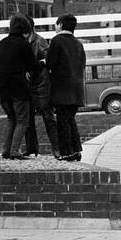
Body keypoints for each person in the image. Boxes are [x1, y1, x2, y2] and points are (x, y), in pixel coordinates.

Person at [0, 14, 41, 160]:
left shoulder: (1, 43)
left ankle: (6, 150)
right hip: (18, 88)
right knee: (22, 120)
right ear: (26, 30)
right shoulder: (23, 44)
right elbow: (33, 65)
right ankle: (14, 150)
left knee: (12, 118)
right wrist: (41, 64)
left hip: (1, 88)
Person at [45, 14, 87, 162]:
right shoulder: (78, 43)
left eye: (56, 24)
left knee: (63, 122)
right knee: (70, 120)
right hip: (77, 91)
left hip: (62, 89)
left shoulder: (57, 41)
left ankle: (66, 152)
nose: (55, 27)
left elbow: (50, 63)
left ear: (61, 25)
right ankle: (76, 151)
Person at [25, 28, 59, 158]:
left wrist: (35, 65)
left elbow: (48, 60)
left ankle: (56, 148)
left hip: (42, 84)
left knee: (48, 117)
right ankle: (31, 148)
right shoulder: (25, 41)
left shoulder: (39, 41)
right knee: (28, 117)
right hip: (30, 84)